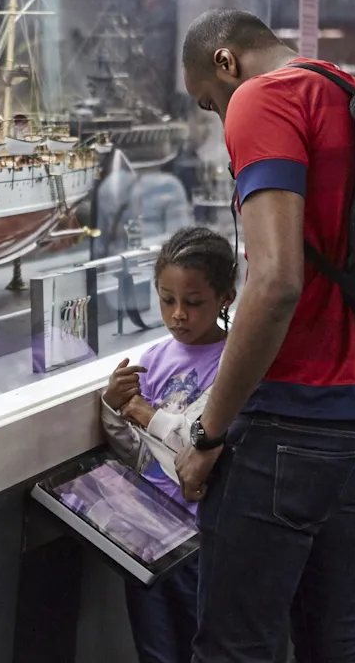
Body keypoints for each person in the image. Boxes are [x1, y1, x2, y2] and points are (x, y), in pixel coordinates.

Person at [175, 9, 355, 662]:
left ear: (225, 62)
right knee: (335, 643)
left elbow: (274, 283)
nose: (221, 120)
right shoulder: (347, 92)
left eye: (209, 105)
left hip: (291, 423)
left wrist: (208, 435)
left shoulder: (264, 98)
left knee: (235, 648)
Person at [101, 226, 237, 663]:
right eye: (167, 300)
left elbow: (196, 443)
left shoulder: (235, 364)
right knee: (156, 650)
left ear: (225, 298)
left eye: (193, 303)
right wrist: (113, 406)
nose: (179, 314)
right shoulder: (155, 359)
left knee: (205, 645)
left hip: (203, 538)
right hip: (148, 534)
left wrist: (141, 411)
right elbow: (140, 454)